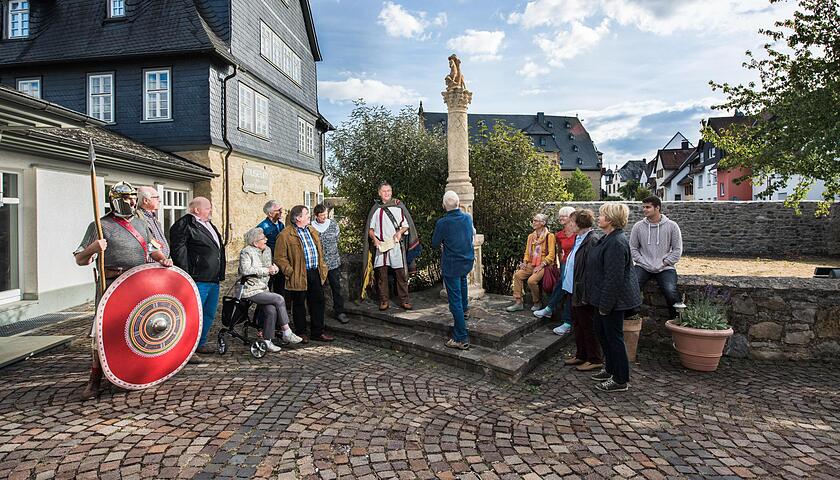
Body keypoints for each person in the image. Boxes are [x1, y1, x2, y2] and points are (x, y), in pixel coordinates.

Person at [74, 181, 173, 400]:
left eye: (133, 197)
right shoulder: (100, 225)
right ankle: (95, 380)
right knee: (100, 332)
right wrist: (94, 248)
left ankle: (137, 371)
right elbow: (81, 259)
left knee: (139, 328)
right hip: (111, 284)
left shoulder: (141, 224)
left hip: (137, 283)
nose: (131, 201)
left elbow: (151, 248)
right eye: (127, 198)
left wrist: (163, 260)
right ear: (116, 200)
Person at [585, 203, 642, 392]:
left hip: (612, 302)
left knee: (614, 338)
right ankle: (610, 369)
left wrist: (605, 306)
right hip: (603, 298)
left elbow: (614, 278)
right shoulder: (607, 238)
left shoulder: (617, 243)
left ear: (610, 219)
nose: (598, 218)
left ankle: (620, 379)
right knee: (602, 334)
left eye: (601, 215)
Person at [170, 197, 226, 355]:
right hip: (197, 278)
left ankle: (200, 343)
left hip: (213, 278)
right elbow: (179, 252)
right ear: (196, 210)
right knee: (192, 314)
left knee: (208, 313)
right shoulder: (184, 225)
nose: (211, 210)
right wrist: (186, 276)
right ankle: (185, 349)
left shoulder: (209, 225)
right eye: (208, 208)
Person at [275, 205, 334, 342]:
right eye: (306, 214)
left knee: (318, 302)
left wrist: (322, 267)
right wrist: (290, 271)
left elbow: (319, 250)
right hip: (298, 273)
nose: (309, 216)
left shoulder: (311, 230)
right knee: (299, 304)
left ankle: (317, 332)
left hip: (314, 272)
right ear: (298, 218)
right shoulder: (285, 235)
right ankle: (301, 332)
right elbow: (279, 258)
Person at [238, 228, 303, 352]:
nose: (266, 240)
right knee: (279, 298)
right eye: (263, 238)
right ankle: (287, 331)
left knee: (271, 310)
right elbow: (245, 270)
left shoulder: (267, 250)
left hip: (263, 288)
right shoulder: (246, 252)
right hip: (249, 289)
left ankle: (267, 341)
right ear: (255, 242)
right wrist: (266, 270)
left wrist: (274, 269)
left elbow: (270, 266)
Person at [362, 182, 419, 311]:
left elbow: (406, 225)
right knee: (381, 276)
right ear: (379, 193)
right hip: (381, 246)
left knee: (401, 275)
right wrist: (375, 240)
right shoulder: (375, 209)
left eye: (388, 191)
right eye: (384, 191)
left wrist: (399, 232)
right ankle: (384, 301)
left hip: (395, 245)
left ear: (391, 192)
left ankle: (404, 300)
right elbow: (370, 230)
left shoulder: (398, 206)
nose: (386, 193)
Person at [557, 209, 603, 372]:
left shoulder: (591, 241)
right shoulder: (578, 238)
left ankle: (595, 358)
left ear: (580, 224)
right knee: (578, 324)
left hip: (583, 292)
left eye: (572, 221)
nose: (569, 224)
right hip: (573, 289)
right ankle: (581, 355)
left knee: (587, 326)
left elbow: (592, 270)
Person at [432, 191, 475, 350]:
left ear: (444, 205)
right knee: (463, 282)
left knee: (454, 300)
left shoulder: (442, 223)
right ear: (458, 204)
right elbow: (470, 236)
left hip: (452, 263)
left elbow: (435, 242)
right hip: (467, 260)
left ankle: (460, 338)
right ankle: (465, 311)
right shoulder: (467, 218)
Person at [630, 196, 683, 319]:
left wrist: (665, 262)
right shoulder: (638, 226)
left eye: (648, 207)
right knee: (632, 286)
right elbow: (633, 248)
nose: (644, 210)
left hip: (665, 267)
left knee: (670, 290)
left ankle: (678, 319)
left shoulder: (672, 226)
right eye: (643, 207)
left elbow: (677, 250)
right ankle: (631, 316)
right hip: (643, 266)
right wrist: (643, 262)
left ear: (657, 208)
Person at [534, 206, 575, 334]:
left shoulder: (577, 233)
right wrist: (558, 263)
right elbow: (558, 251)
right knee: (563, 284)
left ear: (572, 218)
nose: (561, 218)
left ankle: (552, 310)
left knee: (566, 287)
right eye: (560, 215)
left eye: (564, 215)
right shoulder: (559, 235)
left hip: (575, 265)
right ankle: (556, 314)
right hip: (564, 263)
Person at [505, 213, 556, 312]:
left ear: (543, 223)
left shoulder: (550, 236)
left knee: (531, 281)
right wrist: (524, 262)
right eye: (533, 220)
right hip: (531, 263)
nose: (534, 222)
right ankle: (518, 302)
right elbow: (527, 252)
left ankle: (537, 302)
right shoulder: (531, 236)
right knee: (518, 275)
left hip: (543, 265)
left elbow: (551, 255)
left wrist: (541, 265)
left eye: (536, 221)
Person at [311, 204, 348, 324]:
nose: (324, 218)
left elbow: (337, 238)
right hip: (317, 263)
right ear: (316, 215)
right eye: (321, 216)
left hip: (333, 262)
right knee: (317, 289)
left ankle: (340, 312)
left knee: (336, 287)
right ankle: (317, 313)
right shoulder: (311, 227)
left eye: (325, 215)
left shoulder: (333, 224)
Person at [257, 200, 285, 295]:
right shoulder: (262, 227)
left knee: (280, 288)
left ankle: (279, 308)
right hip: (268, 263)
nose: (281, 211)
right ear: (270, 213)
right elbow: (257, 247)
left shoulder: (281, 225)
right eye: (278, 210)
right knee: (266, 289)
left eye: (281, 209)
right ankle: (262, 310)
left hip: (280, 261)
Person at [136, 186, 170, 259]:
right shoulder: (137, 218)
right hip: (148, 265)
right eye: (157, 197)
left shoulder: (153, 218)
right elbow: (148, 243)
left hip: (160, 263)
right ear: (146, 200)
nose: (160, 200)